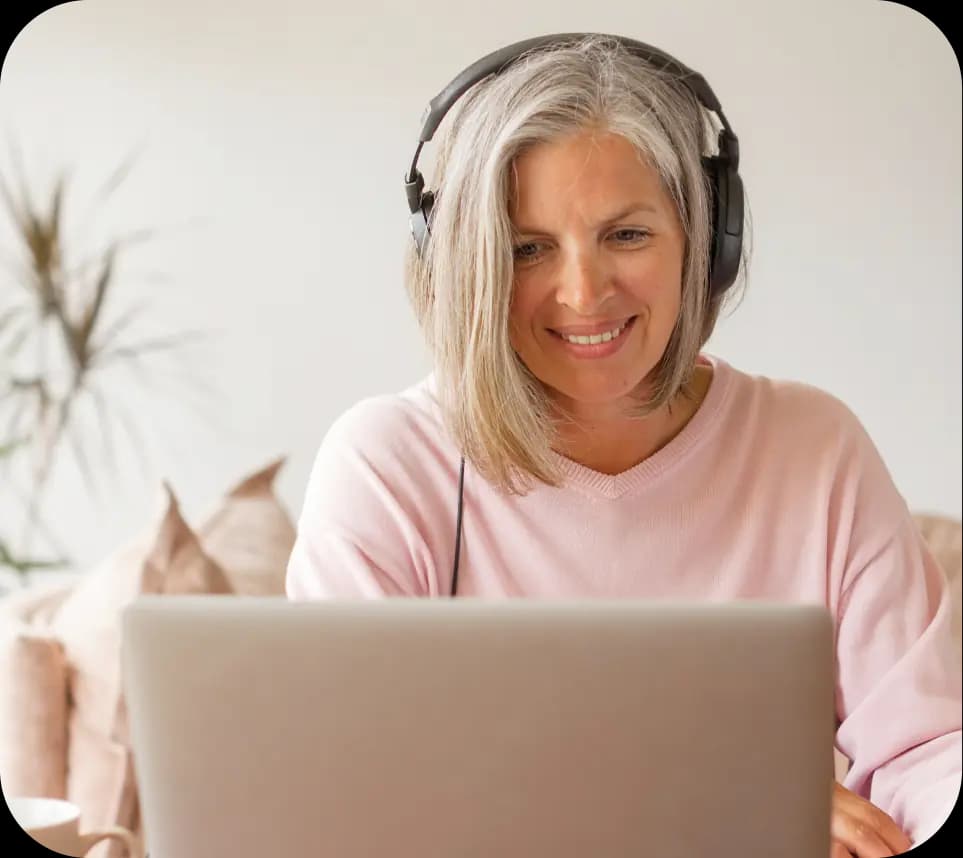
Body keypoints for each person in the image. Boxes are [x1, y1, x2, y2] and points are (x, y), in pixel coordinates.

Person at [286, 33, 961, 857]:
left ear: (707, 242)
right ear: (466, 263)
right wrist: (716, 794)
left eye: (627, 235)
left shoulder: (813, 449)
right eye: (528, 248)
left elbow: (928, 753)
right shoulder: (386, 467)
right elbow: (354, 801)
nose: (583, 293)